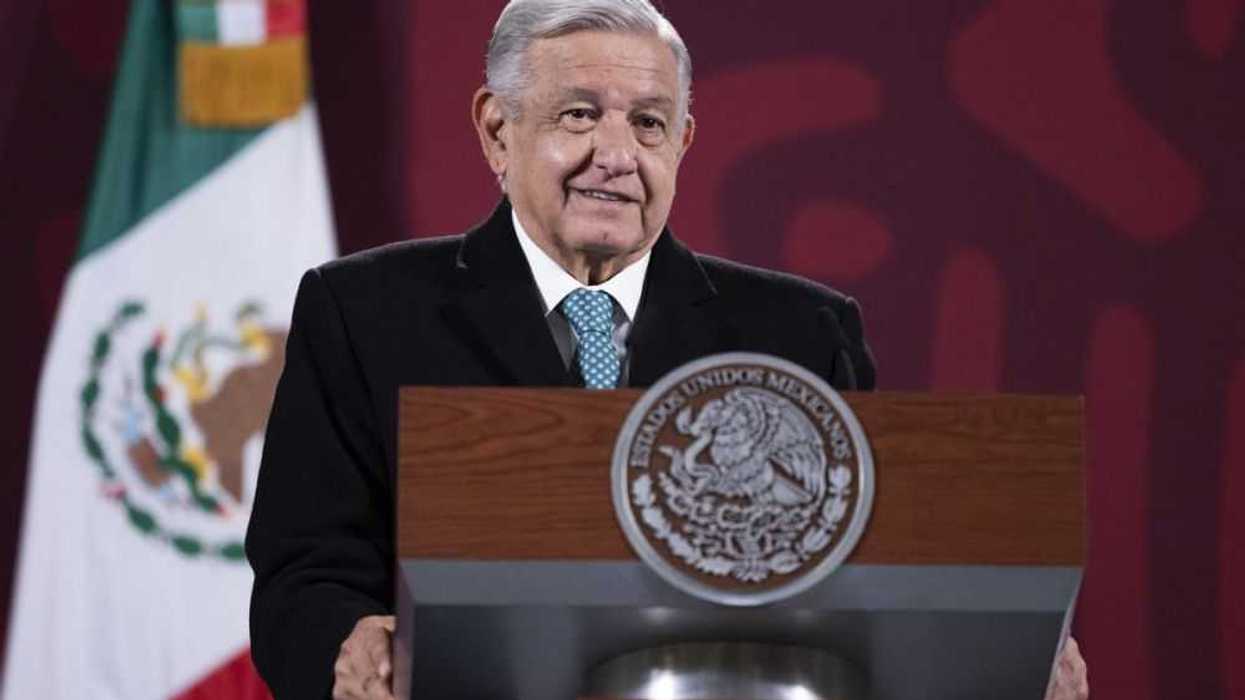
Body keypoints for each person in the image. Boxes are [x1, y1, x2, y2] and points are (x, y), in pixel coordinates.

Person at [245, 2, 1085, 699]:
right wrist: (348, 643)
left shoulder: (801, 332)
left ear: (681, 144)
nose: (616, 155)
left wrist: (1007, 657)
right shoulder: (365, 312)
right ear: (497, 130)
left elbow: (866, 578)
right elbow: (302, 575)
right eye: (579, 115)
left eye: (648, 124)